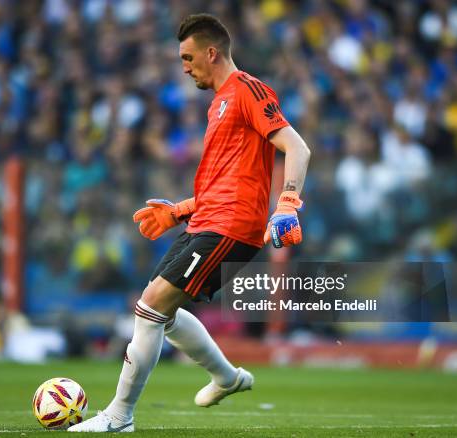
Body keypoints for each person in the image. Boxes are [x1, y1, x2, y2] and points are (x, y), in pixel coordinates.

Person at [69, 13, 311, 432]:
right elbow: (226, 182)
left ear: (211, 52)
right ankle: (227, 378)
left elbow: (298, 147)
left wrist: (288, 203)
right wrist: (178, 211)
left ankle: (119, 416)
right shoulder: (218, 103)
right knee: (160, 309)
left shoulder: (248, 90)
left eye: (188, 57)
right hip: (208, 219)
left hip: (231, 225)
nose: (183, 67)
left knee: (150, 308)